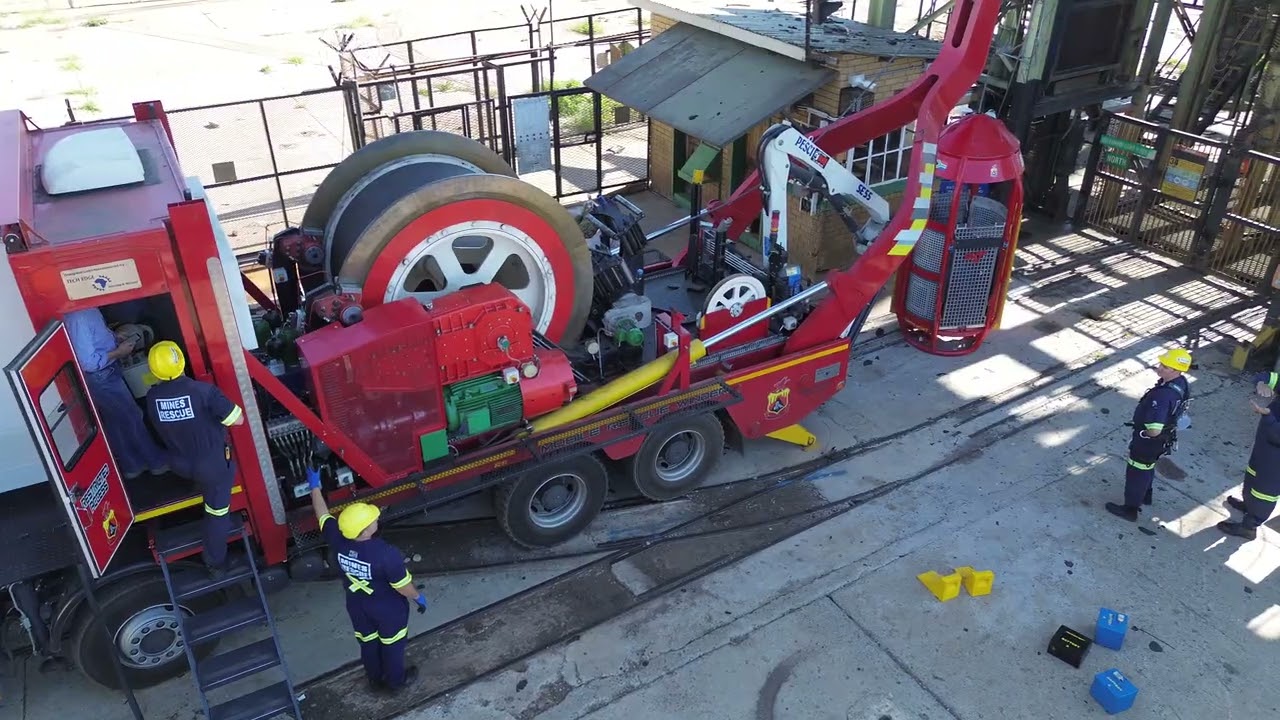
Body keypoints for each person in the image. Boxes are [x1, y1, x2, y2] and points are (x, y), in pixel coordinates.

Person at [307, 465, 425, 694]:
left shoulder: (339, 538)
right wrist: (418, 597)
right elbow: (403, 587)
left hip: (357, 606)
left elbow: (322, 515)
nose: (376, 519)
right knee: (392, 645)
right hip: (387, 609)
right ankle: (395, 682)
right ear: (365, 531)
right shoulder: (386, 554)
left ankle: (375, 679)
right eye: (372, 519)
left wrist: (315, 487)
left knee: (369, 644)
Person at [143, 341, 243, 576]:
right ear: (182, 362)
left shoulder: (152, 397)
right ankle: (216, 562)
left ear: (154, 371)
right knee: (217, 513)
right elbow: (237, 420)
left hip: (179, 465)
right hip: (212, 467)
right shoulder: (204, 392)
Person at [64, 307, 170, 480]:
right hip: (102, 376)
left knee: (115, 421)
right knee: (132, 416)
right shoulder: (78, 317)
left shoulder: (87, 309)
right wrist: (119, 352)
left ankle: (132, 465)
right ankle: (156, 462)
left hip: (106, 371)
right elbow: (88, 362)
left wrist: (114, 338)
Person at [1106, 347, 1192, 522]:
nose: (1159, 368)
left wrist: (1142, 433)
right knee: (1147, 467)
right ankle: (1146, 494)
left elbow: (1154, 430)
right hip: (1163, 440)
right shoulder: (1181, 383)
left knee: (1136, 472)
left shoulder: (1161, 396)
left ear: (1176, 370)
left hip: (1148, 441)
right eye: (1161, 364)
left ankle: (1130, 509)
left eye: (1166, 367)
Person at [1217, 371, 1280, 539]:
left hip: (1276, 459)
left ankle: (1250, 527)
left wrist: (1267, 416)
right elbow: (1268, 376)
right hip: (1265, 447)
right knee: (1253, 475)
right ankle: (1249, 506)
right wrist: (1261, 383)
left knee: (1264, 491)